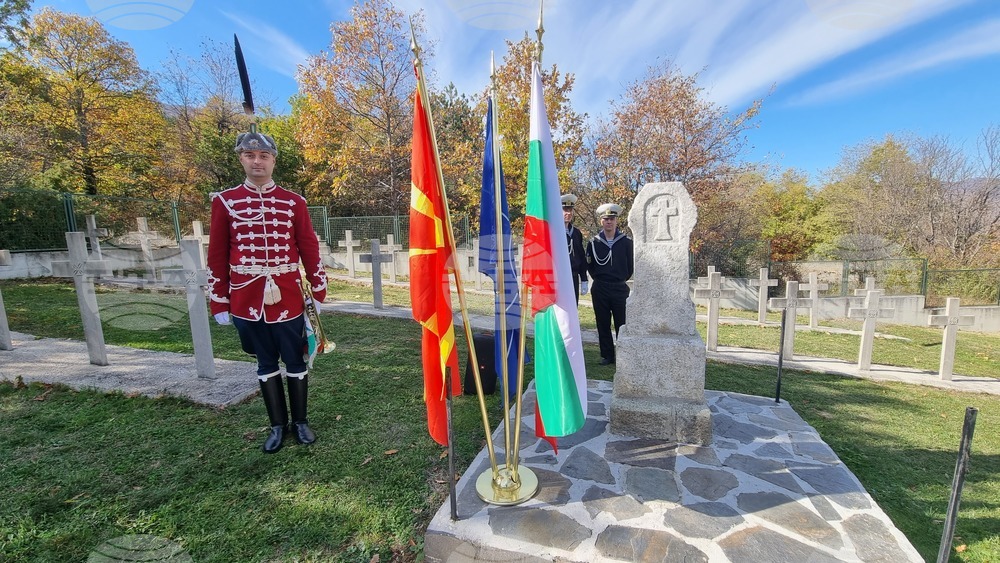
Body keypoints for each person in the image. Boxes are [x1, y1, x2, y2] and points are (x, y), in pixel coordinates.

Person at [207, 128, 328, 454]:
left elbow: (309, 248)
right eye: (250, 155)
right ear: (241, 159)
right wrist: (218, 299)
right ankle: (277, 425)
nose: (257, 161)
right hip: (246, 298)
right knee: (265, 363)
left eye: (264, 156)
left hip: (287, 295)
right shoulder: (225, 202)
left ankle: (300, 422)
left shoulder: (294, 202)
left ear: (273, 160)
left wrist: (317, 288)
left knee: (296, 359)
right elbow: (217, 254)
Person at [585, 203, 633, 365]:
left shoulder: (626, 242)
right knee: (602, 322)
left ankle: (623, 354)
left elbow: (630, 266)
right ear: (601, 221)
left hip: (619, 287)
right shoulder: (594, 243)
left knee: (622, 323)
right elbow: (590, 265)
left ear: (616, 221)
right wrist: (600, 278)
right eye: (606, 219)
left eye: (612, 219)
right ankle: (607, 355)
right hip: (600, 287)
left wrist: (620, 279)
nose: (609, 222)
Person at [561, 194, 589, 303]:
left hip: (573, 277)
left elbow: (581, 256)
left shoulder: (576, 233)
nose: (568, 213)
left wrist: (584, 279)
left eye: (570, 209)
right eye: (565, 209)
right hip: (558, 278)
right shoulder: (552, 231)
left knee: (572, 309)